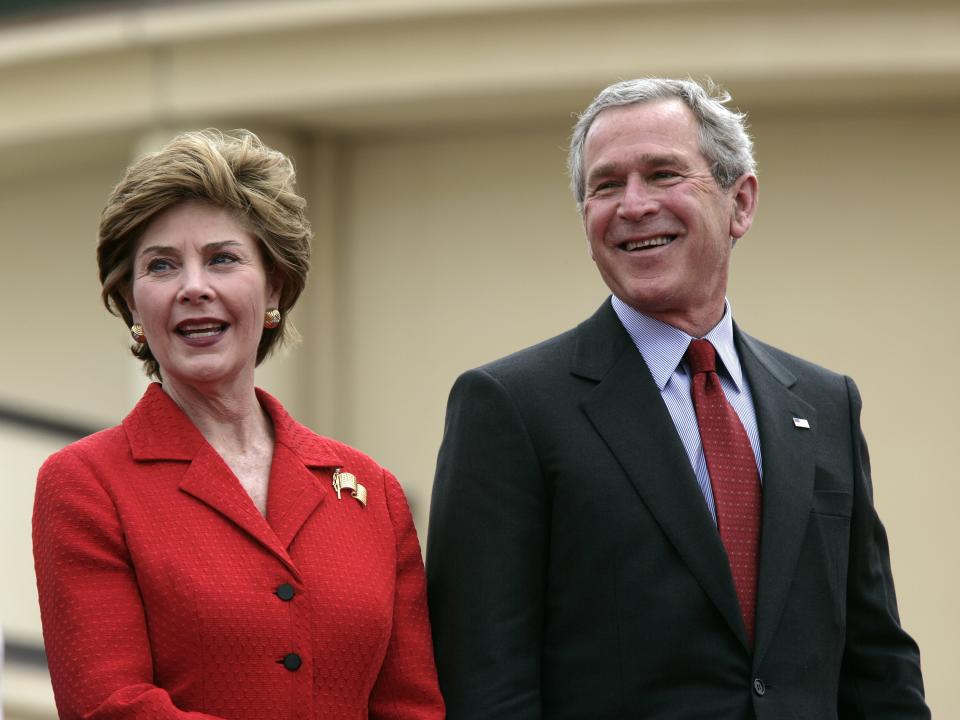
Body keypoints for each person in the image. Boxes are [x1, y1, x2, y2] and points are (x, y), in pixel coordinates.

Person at [426, 78, 929, 719]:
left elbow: (877, 661)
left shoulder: (827, 404)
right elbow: (485, 680)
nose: (633, 205)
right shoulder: (510, 407)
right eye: (605, 186)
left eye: (663, 174)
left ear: (739, 202)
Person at [33, 129, 444, 720]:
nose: (194, 287)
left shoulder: (371, 491)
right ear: (131, 303)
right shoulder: (85, 484)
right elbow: (111, 706)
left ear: (274, 285)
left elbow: (413, 706)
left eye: (223, 259)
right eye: (161, 266)